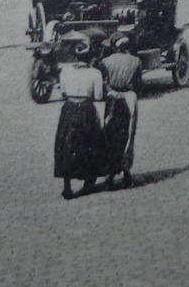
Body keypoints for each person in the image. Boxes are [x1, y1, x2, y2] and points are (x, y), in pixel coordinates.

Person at [53, 38, 107, 199]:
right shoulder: (95, 73)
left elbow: (62, 92)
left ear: (75, 57)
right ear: (89, 56)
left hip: (68, 109)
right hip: (86, 109)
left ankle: (67, 185)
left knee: (66, 145)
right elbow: (98, 96)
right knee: (90, 143)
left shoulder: (65, 72)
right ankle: (88, 182)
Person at [99, 33, 143, 188]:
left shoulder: (105, 62)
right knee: (128, 136)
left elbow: (103, 83)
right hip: (128, 98)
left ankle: (110, 174)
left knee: (110, 135)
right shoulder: (136, 61)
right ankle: (126, 172)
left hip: (112, 99)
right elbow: (139, 83)